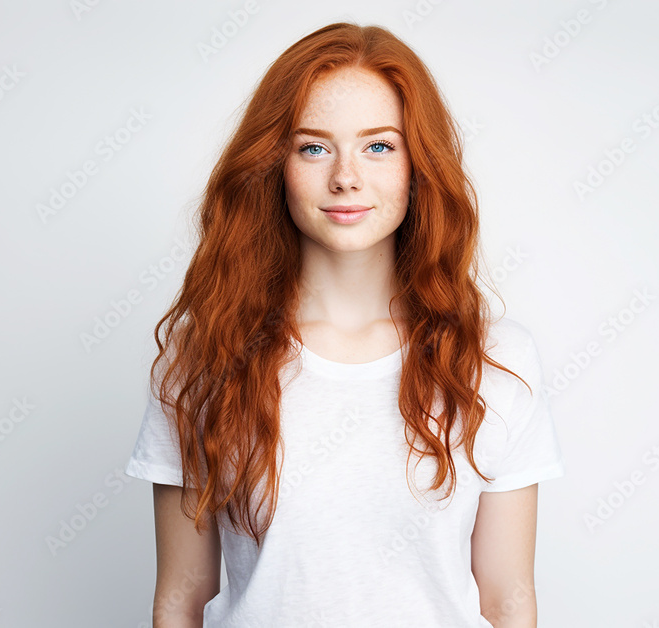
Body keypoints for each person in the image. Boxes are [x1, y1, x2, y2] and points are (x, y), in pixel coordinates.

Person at [124, 21, 565, 628]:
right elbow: (180, 595)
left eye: (379, 146)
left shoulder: (495, 358)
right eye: (313, 147)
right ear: (275, 165)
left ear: (419, 165)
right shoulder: (204, 353)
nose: (346, 177)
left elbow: (508, 598)